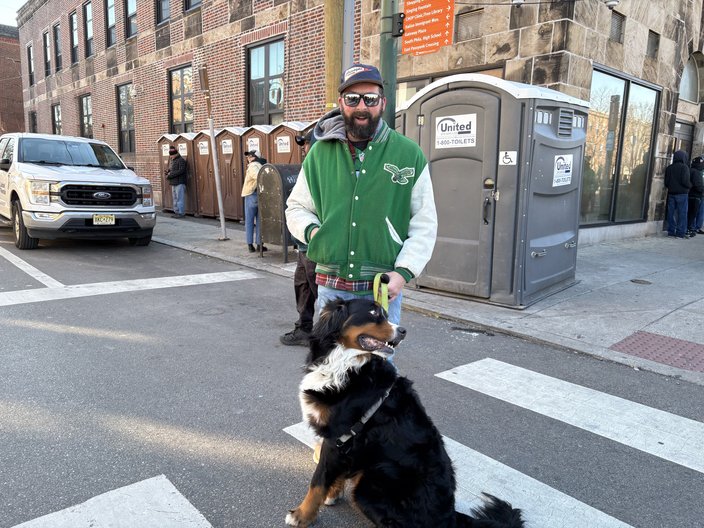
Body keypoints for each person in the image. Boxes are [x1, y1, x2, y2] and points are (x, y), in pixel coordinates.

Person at [285, 63, 438, 325]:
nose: (362, 106)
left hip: (381, 287)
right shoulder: (319, 154)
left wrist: (403, 272)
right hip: (331, 285)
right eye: (352, 98)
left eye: (370, 98)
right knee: (333, 362)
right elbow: (297, 207)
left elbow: (424, 222)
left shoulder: (409, 154)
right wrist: (313, 232)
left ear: (382, 102)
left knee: (377, 363)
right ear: (341, 102)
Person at [280, 131, 318, 347]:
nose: (304, 148)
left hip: (315, 242)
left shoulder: (322, 166)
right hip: (303, 242)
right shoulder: (308, 166)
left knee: (319, 289)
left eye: (306, 144)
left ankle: (329, 336)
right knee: (302, 285)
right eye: (303, 145)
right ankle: (304, 327)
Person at [242, 149, 267, 253]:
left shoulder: (253, 166)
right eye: (248, 157)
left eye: (250, 156)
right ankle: (259, 244)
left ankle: (250, 245)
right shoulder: (263, 165)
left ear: (255, 157)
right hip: (260, 195)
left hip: (251, 194)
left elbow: (258, 176)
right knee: (260, 221)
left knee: (249, 221)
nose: (248, 158)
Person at [664, 150, 691, 239]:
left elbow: (666, 182)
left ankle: (671, 231)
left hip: (671, 193)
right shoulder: (684, 167)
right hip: (682, 194)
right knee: (682, 213)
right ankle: (680, 233)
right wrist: (690, 186)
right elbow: (685, 181)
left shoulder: (669, 168)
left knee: (671, 213)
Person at [165, 145, 187, 218]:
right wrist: (168, 171)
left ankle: (181, 213)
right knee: (175, 198)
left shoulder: (181, 160)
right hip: (174, 182)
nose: (171, 157)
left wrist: (170, 175)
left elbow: (181, 171)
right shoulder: (173, 161)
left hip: (179, 182)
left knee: (179, 198)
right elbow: (174, 170)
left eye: (172, 156)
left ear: (175, 154)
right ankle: (176, 212)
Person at [687, 155, 704, 237]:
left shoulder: (690, 170)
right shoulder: (696, 172)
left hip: (692, 194)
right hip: (696, 195)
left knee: (692, 213)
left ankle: (692, 228)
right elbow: (698, 185)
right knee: (693, 213)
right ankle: (691, 228)